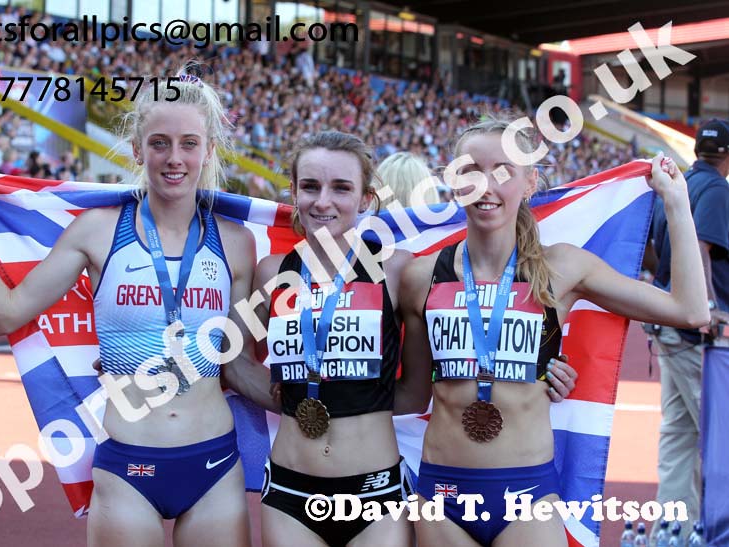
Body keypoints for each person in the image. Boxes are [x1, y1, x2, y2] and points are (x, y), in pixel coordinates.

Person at [0, 69, 255, 547]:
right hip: (128, 466)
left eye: (189, 143)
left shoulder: (238, 243)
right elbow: (5, 314)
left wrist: (316, 405)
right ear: (137, 150)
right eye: (160, 143)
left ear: (208, 151)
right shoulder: (97, 231)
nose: (174, 158)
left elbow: (238, 366)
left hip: (214, 465)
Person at [225, 131, 578, 547]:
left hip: (378, 494)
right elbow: (234, 362)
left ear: (365, 199)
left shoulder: (398, 271)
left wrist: (542, 366)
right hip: (290, 488)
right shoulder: (271, 273)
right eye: (310, 187)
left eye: (341, 188)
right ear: (293, 191)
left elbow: (431, 371)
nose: (323, 202)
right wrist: (294, 401)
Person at [399, 115, 710, 547]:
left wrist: (677, 201)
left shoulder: (561, 267)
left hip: (528, 493)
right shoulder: (418, 278)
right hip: (442, 495)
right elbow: (412, 391)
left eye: (504, 172)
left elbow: (689, 309)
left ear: (530, 183)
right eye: (471, 170)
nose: (486, 186)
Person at [648, 118, 729, 541]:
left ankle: (673, 530)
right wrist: (711, 309)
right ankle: (716, 531)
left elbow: (652, 247)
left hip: (668, 323)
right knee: (719, 433)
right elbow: (701, 247)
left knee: (678, 433)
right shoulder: (716, 189)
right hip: (699, 332)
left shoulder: (679, 185)